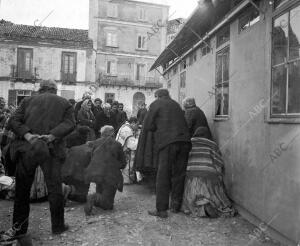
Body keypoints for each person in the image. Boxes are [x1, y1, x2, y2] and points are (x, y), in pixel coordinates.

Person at [0, 80, 75, 243]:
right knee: (55, 189)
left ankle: (20, 228)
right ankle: (58, 226)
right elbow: (70, 124)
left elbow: (13, 121)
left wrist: (28, 135)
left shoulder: (27, 101)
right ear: (54, 90)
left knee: (22, 190)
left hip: (28, 148)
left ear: (40, 89)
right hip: (51, 149)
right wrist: (52, 135)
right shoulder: (64, 103)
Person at [136, 89, 191, 218]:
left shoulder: (156, 104)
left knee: (163, 175)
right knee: (179, 174)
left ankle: (161, 210)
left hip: (168, 143)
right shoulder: (176, 104)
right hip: (185, 142)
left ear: (157, 96)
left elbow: (148, 125)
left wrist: (159, 128)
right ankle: (175, 206)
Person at [181, 127, 236, 218]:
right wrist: (219, 177)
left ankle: (201, 206)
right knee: (214, 193)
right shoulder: (212, 144)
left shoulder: (189, 142)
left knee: (189, 197)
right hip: (209, 176)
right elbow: (219, 163)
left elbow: (183, 160)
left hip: (191, 176)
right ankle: (209, 204)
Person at [84, 125, 126, 215]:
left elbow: (92, 157)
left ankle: (98, 198)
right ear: (112, 133)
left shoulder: (95, 143)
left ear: (102, 134)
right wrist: (116, 166)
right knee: (108, 206)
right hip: (110, 176)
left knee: (101, 191)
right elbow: (123, 163)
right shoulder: (117, 144)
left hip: (96, 173)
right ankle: (94, 197)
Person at [116, 117, 139, 184]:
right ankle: (126, 180)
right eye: (137, 125)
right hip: (125, 152)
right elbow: (133, 146)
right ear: (133, 123)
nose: (137, 127)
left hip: (122, 150)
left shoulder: (125, 127)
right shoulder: (127, 130)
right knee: (126, 166)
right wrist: (138, 138)